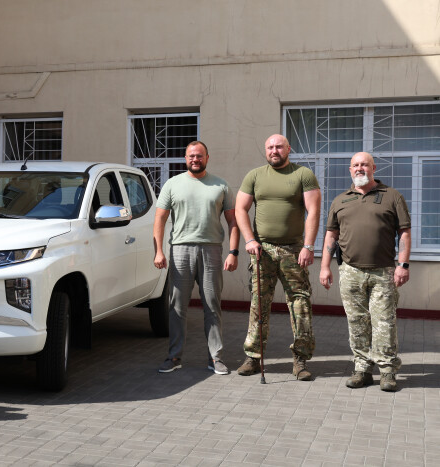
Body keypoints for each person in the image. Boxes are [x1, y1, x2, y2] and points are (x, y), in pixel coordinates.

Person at [319, 152, 410, 392]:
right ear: (350, 170)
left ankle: (387, 371)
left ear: (373, 168)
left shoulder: (392, 197)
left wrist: (403, 265)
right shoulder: (340, 200)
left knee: (384, 322)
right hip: (350, 271)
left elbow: (404, 233)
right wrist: (325, 266)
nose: (360, 168)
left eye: (365, 164)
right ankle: (362, 369)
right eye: (356, 165)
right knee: (357, 322)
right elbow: (331, 235)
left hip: (383, 272)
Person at [235, 134, 321, 380]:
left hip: (294, 250)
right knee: (258, 304)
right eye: (270, 147)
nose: (274, 151)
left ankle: (300, 360)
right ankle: (253, 357)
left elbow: (313, 210)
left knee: (300, 303)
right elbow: (241, 208)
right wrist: (249, 240)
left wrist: (309, 245)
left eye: (279, 147)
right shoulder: (255, 175)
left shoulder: (303, 174)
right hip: (261, 250)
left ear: (288, 149)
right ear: (266, 150)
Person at [154, 141, 240, 374]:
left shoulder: (221, 185)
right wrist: (159, 251)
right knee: (177, 307)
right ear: (185, 158)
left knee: (212, 305)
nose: (195, 159)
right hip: (180, 250)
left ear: (207, 158)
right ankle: (174, 357)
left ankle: (215, 357)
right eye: (191, 155)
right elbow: (160, 219)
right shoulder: (173, 184)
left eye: (199, 156)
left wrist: (233, 252)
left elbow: (233, 221)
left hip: (211, 250)